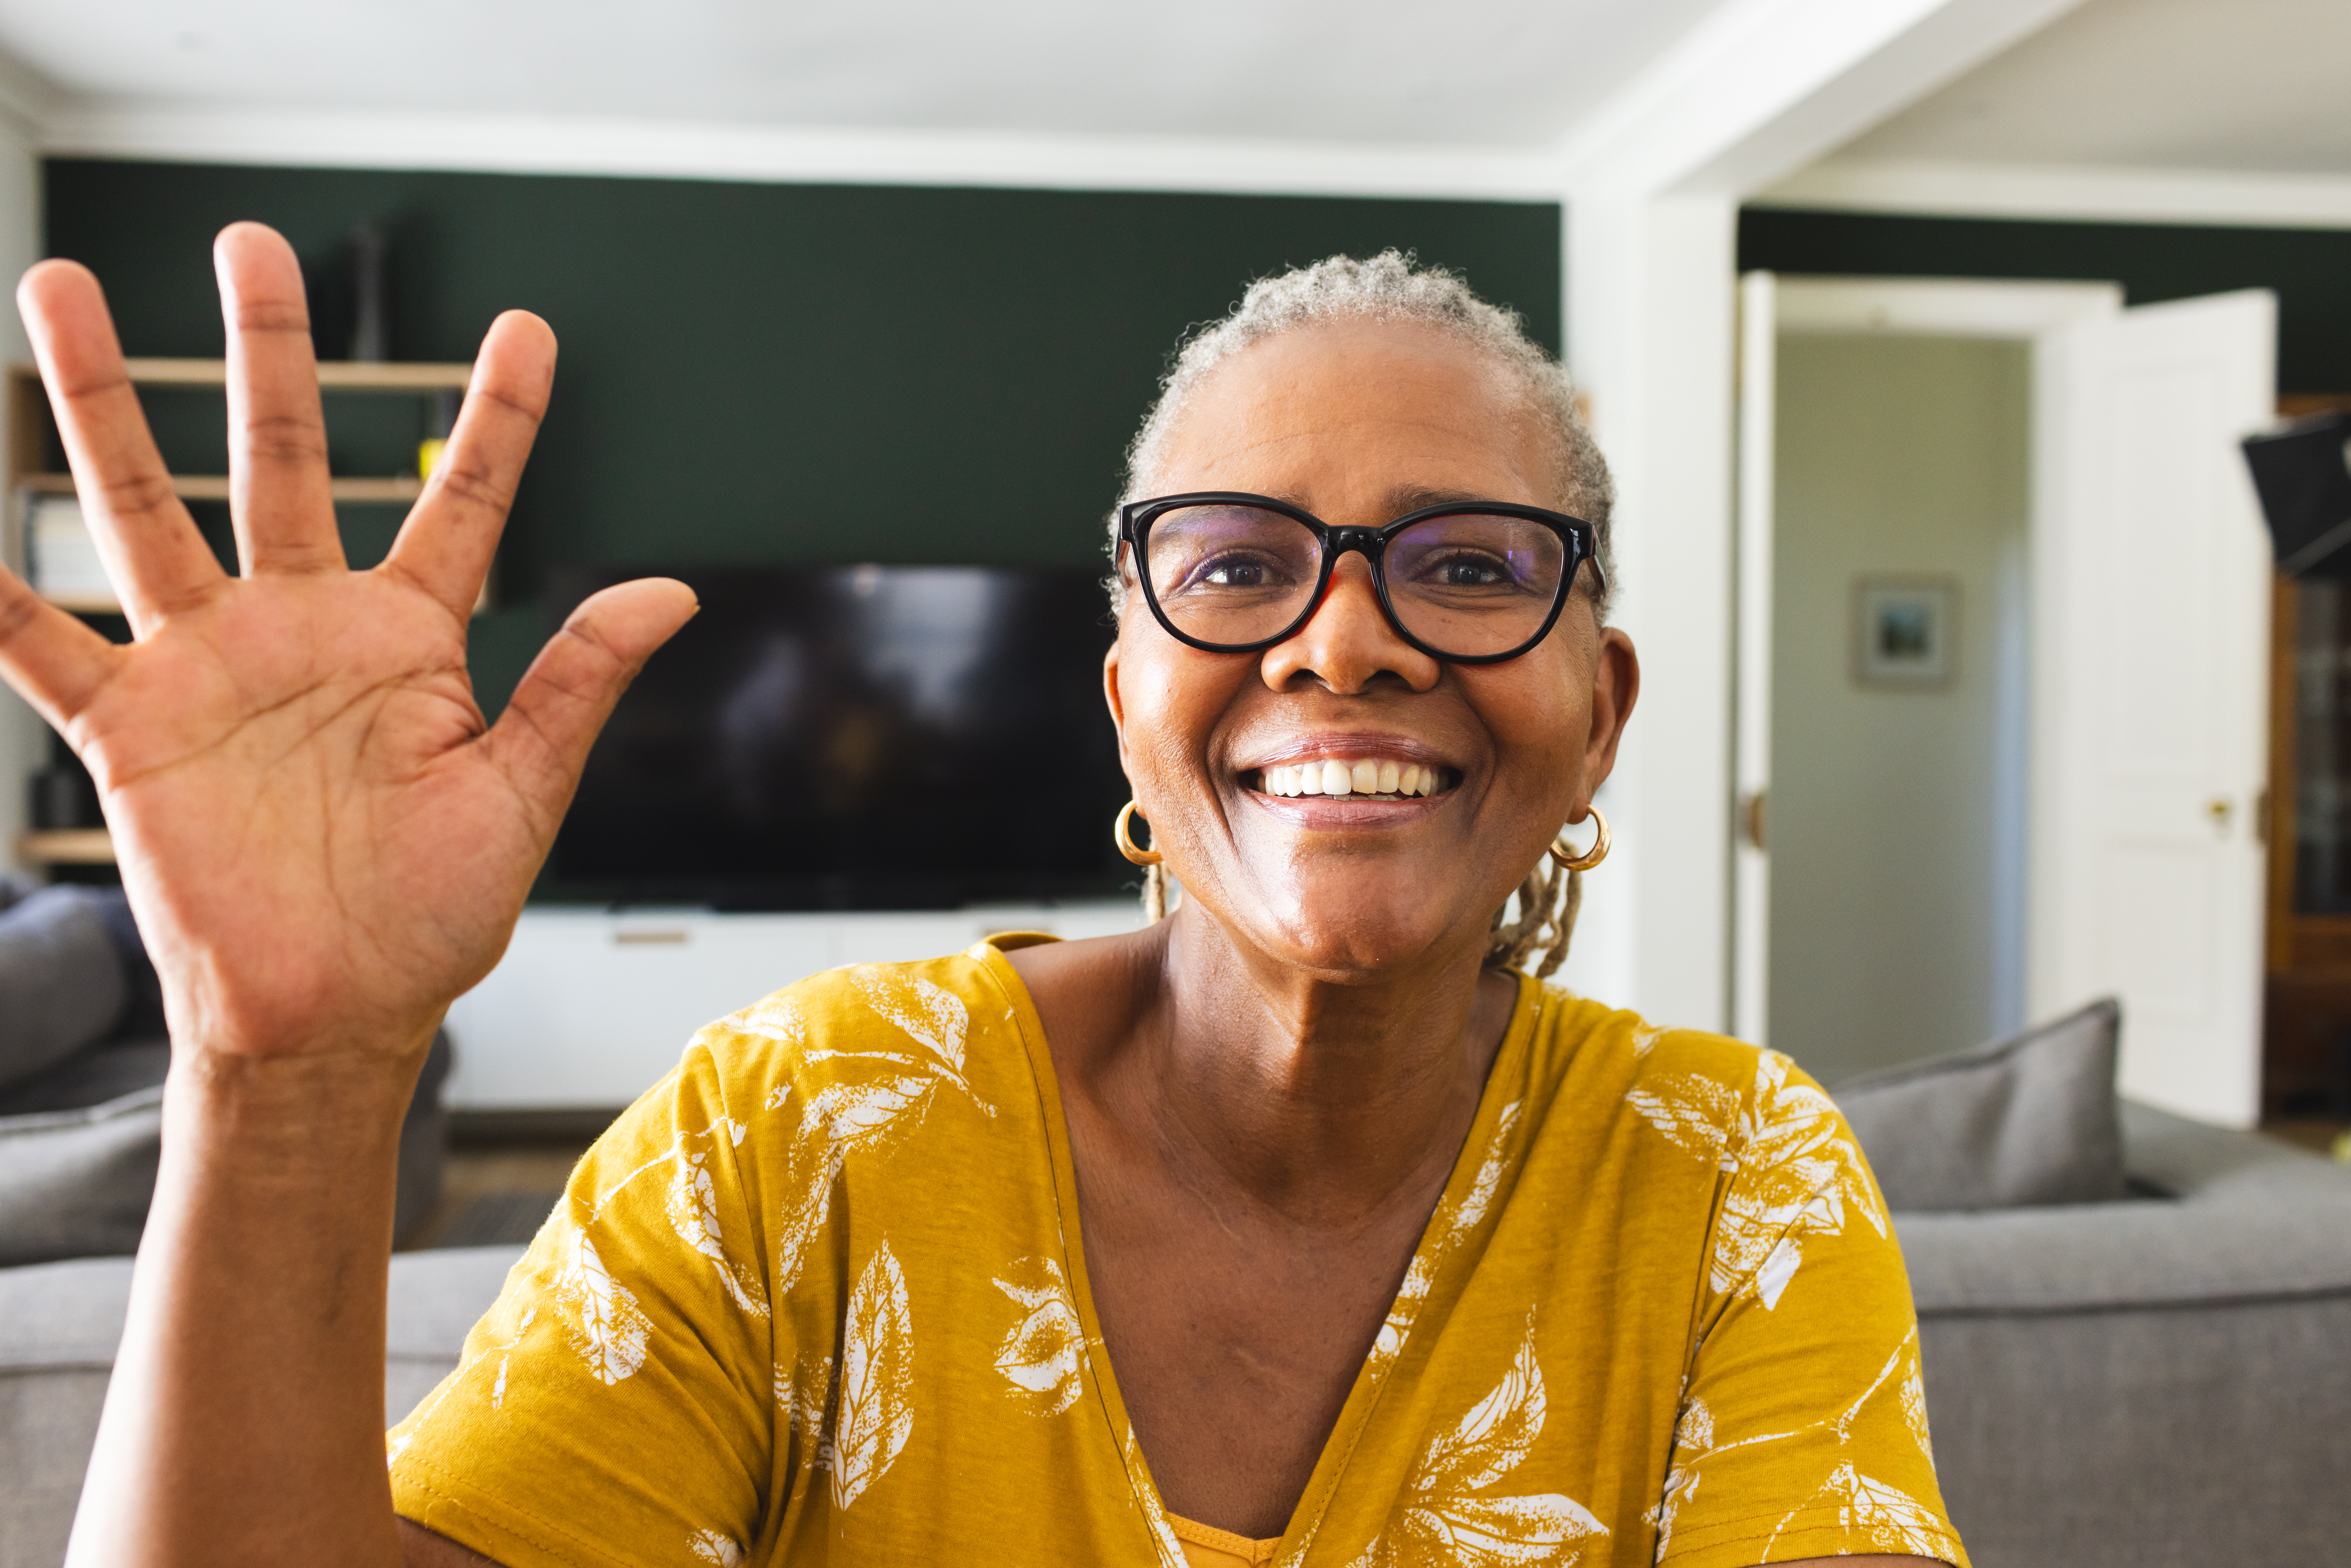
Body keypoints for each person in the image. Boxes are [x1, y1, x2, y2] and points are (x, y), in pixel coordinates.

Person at [5, 227, 1964, 1568]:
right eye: (1235, 562)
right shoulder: (804, 1125)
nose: (1343, 637)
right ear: (1127, 700)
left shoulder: (1736, 1186)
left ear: (1597, 709)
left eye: (1469, 566)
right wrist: (286, 1069)